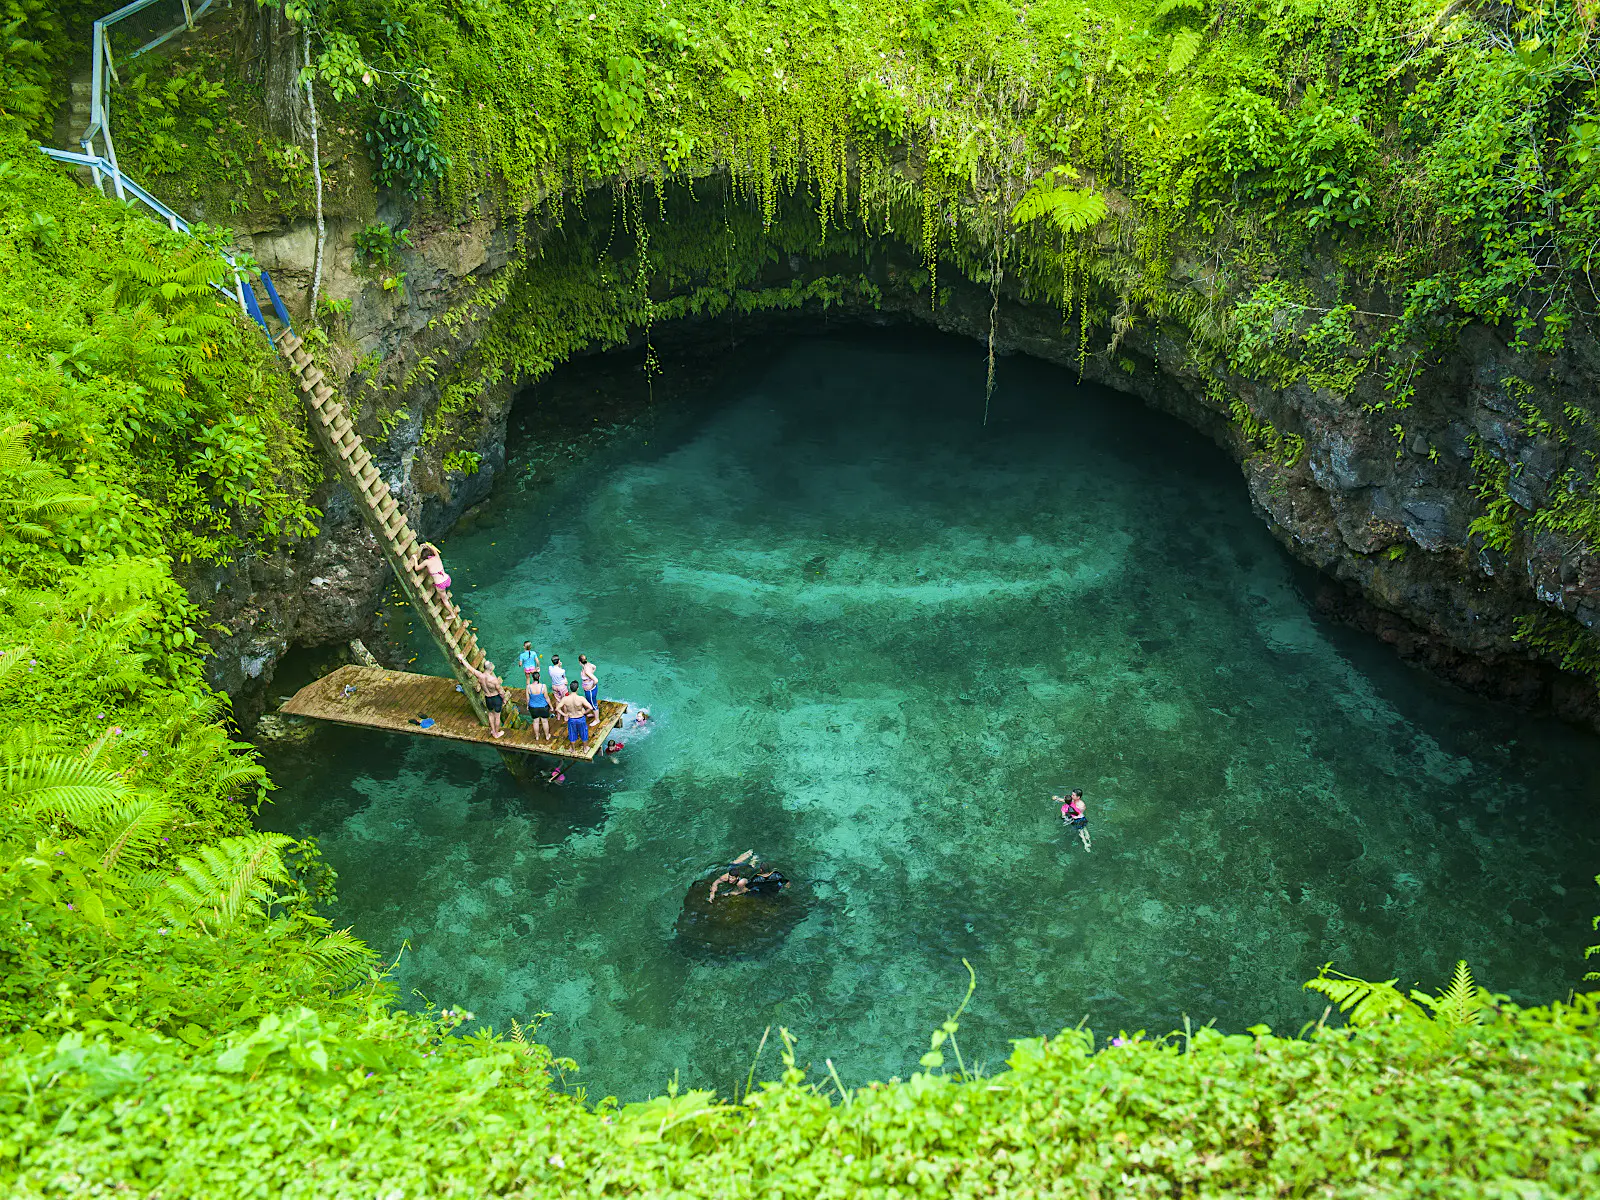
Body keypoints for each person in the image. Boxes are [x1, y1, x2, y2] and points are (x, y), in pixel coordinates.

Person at [455, 651, 508, 739]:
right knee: (497, 716)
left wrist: (462, 659)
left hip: (488, 698)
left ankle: (493, 731)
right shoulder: (494, 680)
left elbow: (469, 668)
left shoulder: (479, 675)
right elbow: (501, 692)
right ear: (490, 669)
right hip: (496, 698)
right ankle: (496, 733)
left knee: (490, 714)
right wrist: (504, 699)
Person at [555, 680, 597, 744]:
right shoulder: (581, 698)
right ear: (577, 689)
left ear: (570, 688)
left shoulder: (565, 699)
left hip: (571, 718)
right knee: (584, 734)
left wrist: (565, 714)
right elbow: (591, 707)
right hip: (580, 717)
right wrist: (584, 712)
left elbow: (557, 708)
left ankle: (573, 749)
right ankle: (585, 749)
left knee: (572, 735)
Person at [524, 669, 553, 740]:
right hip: (543, 707)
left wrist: (528, 706)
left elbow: (528, 699)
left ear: (532, 678)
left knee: (535, 722)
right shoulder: (543, 686)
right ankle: (547, 736)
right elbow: (547, 698)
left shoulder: (528, 687)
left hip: (533, 707)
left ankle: (537, 736)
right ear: (539, 677)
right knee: (545, 721)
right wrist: (551, 706)